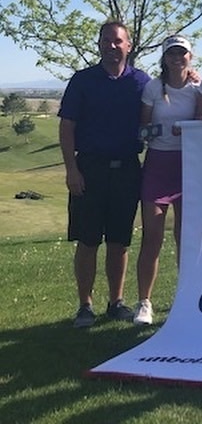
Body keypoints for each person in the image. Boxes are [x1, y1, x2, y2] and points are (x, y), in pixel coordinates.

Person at [59, 21, 150, 328]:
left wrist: (191, 77)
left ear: (129, 45)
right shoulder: (83, 80)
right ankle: (85, 305)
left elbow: (170, 98)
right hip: (89, 169)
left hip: (126, 170)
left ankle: (116, 302)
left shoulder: (142, 82)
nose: (112, 46)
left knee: (119, 242)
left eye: (118, 41)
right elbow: (67, 126)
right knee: (87, 241)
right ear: (98, 44)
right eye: (106, 41)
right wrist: (71, 169)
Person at [133, 35, 200, 326]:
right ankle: (144, 303)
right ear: (164, 57)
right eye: (172, 53)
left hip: (190, 166)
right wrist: (158, 131)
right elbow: (142, 128)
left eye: (182, 53)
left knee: (186, 238)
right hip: (158, 163)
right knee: (153, 237)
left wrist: (188, 131)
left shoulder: (199, 88)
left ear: (190, 56)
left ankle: (185, 298)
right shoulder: (152, 87)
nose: (177, 58)